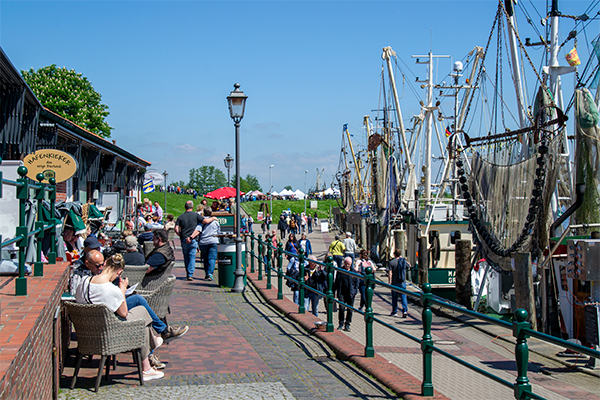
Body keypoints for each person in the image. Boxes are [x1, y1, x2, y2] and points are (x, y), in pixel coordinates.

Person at [74, 253, 164, 381]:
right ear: (120, 271)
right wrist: (122, 290)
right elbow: (124, 313)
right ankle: (147, 365)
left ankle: (149, 358)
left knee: (140, 314)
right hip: (108, 334)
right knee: (142, 315)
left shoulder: (83, 282)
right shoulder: (111, 289)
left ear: (105, 264)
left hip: (86, 333)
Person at [175, 201, 216, 280]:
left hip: (184, 239)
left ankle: (188, 273)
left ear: (185, 207)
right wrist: (213, 218)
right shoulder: (196, 215)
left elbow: (176, 229)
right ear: (192, 207)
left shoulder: (180, 217)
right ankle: (190, 274)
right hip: (193, 239)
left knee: (186, 256)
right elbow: (205, 221)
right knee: (192, 256)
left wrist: (181, 235)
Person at [334, 257, 359, 332]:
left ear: (351, 264)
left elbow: (356, 283)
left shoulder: (354, 272)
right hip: (342, 293)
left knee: (350, 310)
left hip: (350, 293)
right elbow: (336, 282)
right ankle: (341, 323)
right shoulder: (340, 271)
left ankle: (347, 324)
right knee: (341, 308)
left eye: (348, 264)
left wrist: (354, 292)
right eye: (346, 263)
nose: (347, 265)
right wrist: (334, 291)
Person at [197, 208, 219, 281]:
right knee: (212, 258)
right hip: (213, 240)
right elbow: (218, 231)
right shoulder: (215, 222)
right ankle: (210, 274)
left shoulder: (202, 221)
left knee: (205, 258)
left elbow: (198, 230)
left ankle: (207, 272)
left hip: (203, 241)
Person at [388, 249, 409, 318]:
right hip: (402, 281)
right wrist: (403, 259)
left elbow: (390, 272)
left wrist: (389, 281)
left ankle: (395, 311)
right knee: (403, 296)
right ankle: (405, 310)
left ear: (394, 254)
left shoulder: (391, 262)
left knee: (394, 297)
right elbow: (409, 265)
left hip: (395, 282)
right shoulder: (403, 261)